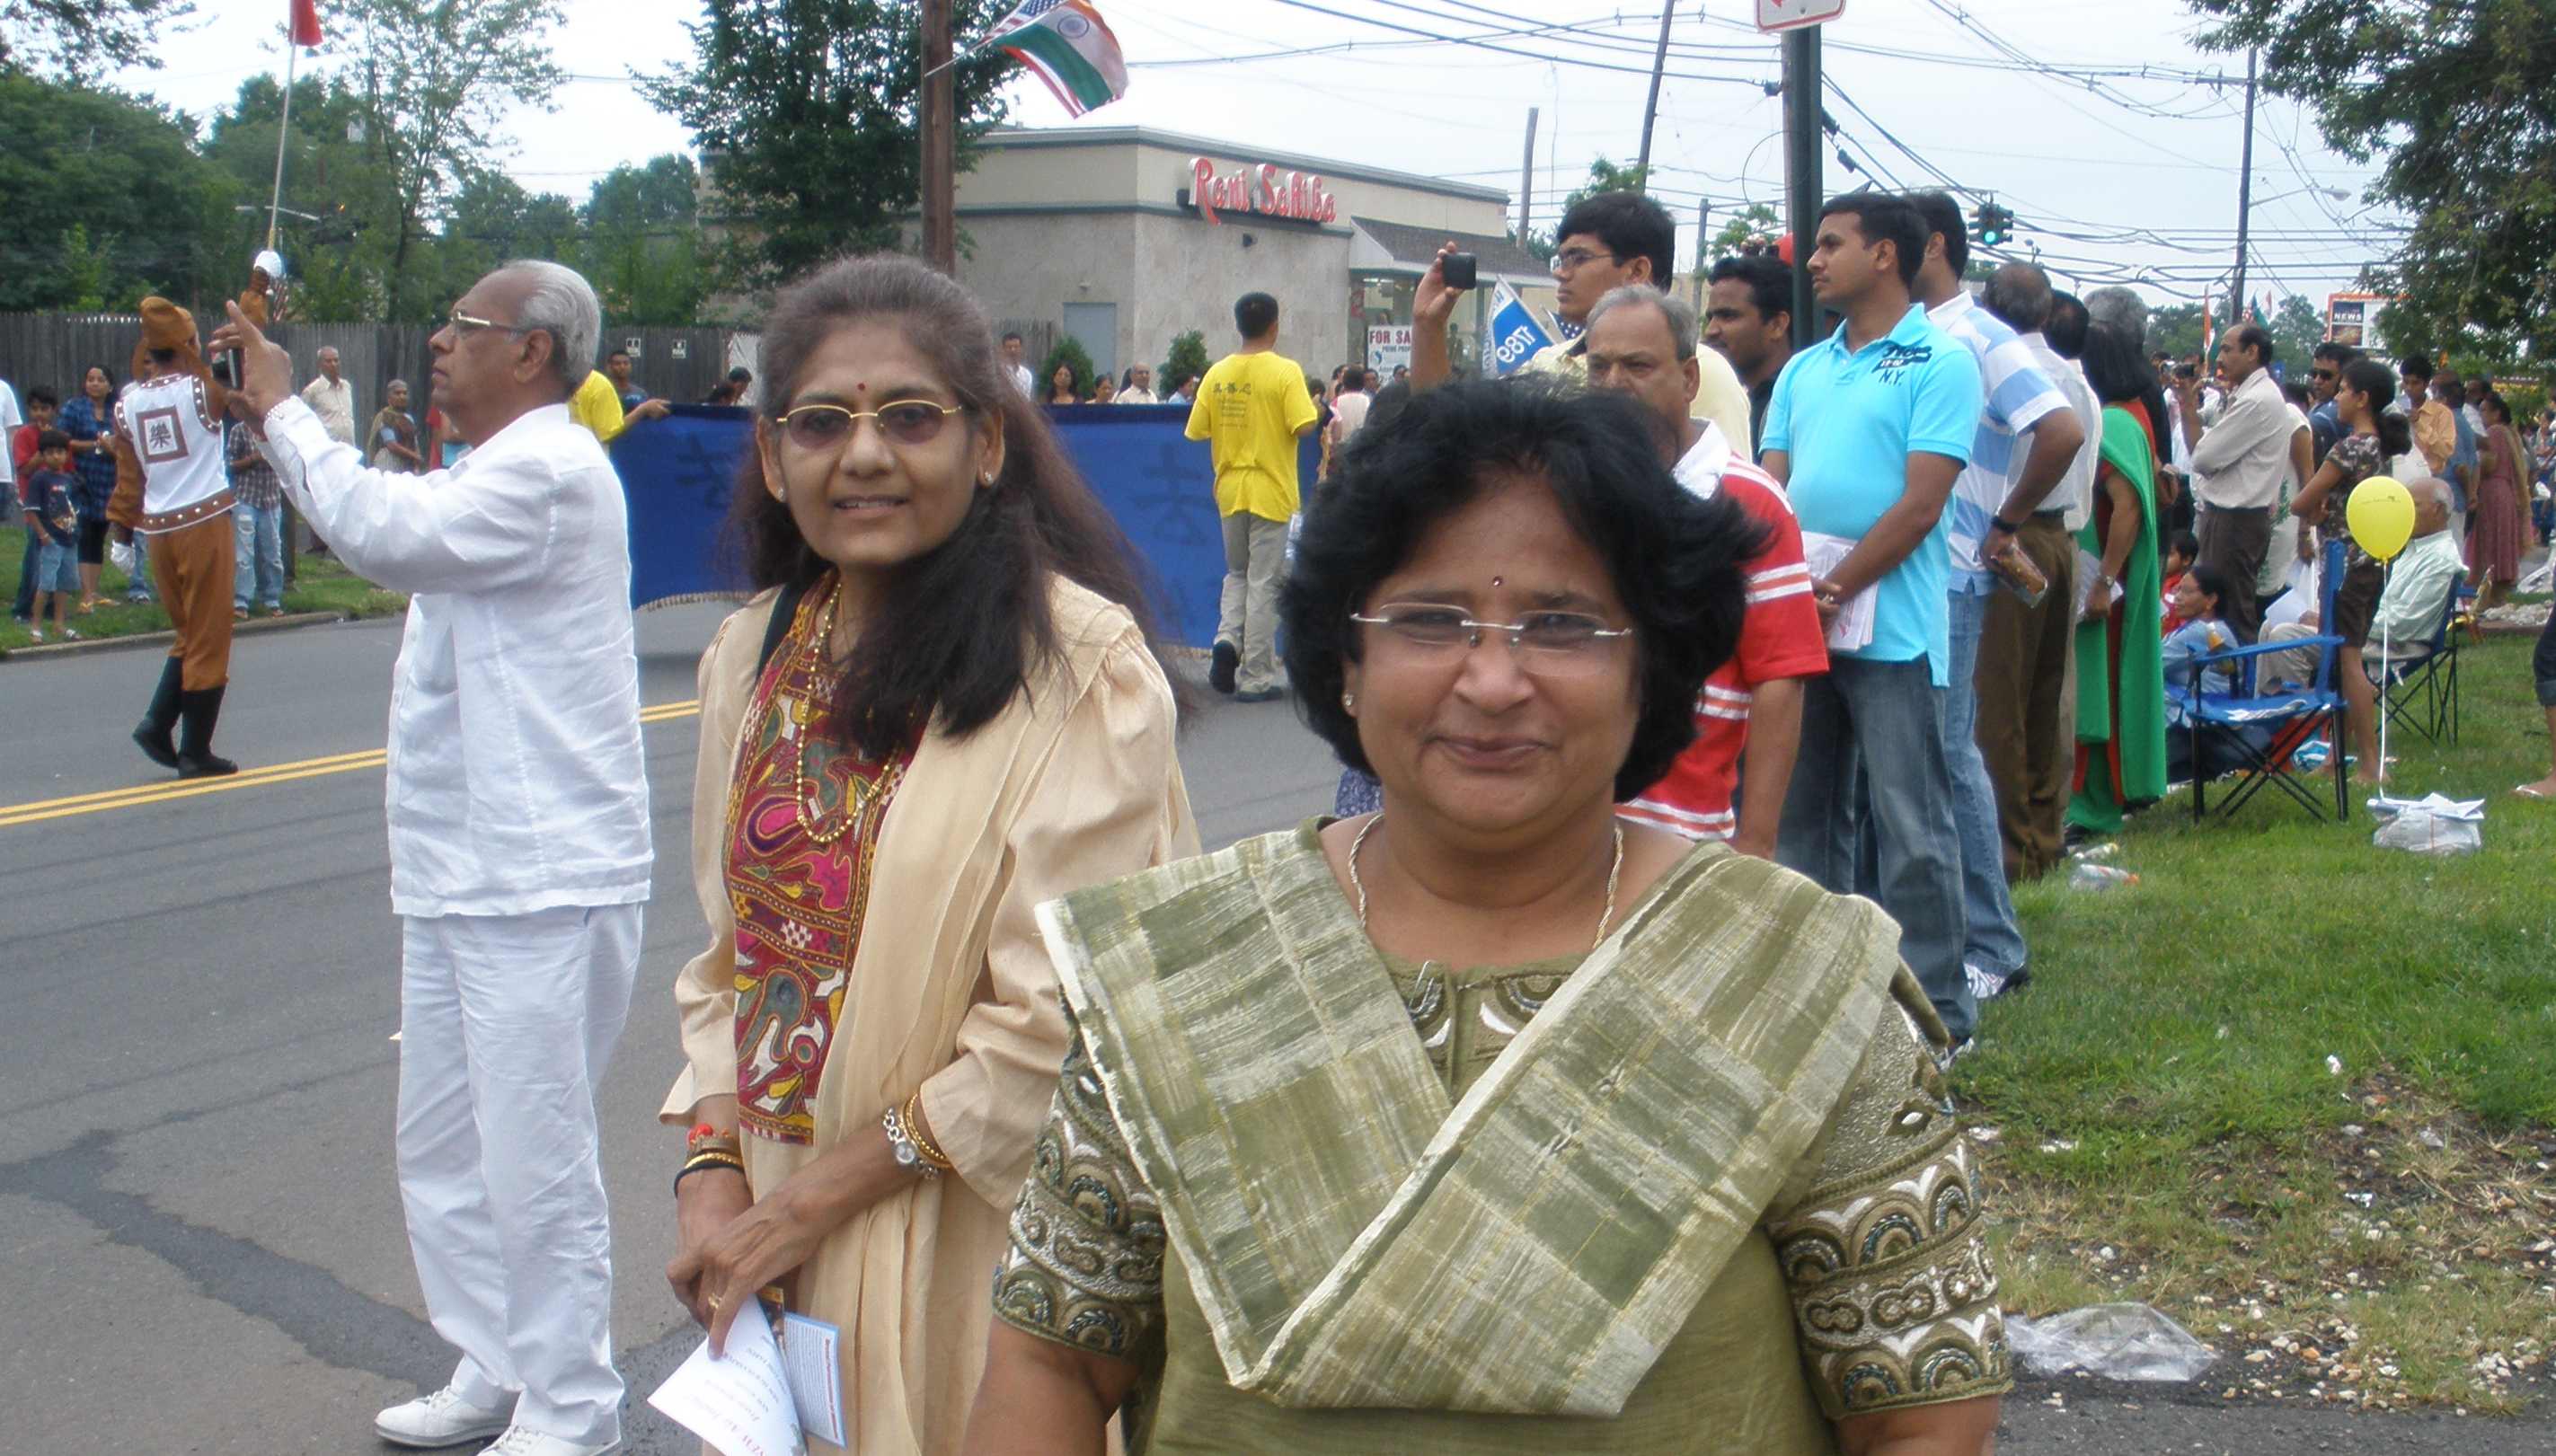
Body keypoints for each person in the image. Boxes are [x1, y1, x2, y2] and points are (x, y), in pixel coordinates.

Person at [965, 378, 2009, 1456]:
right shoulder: (1187, 969)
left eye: (1561, 624)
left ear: (1648, 673)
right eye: (1429, 620)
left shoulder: (1788, 981)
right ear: (1346, 664)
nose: (1494, 680)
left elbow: (1922, 1420)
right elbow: (1051, 1359)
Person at [654, 255, 1197, 1456]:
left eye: (908, 417)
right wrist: (711, 1164)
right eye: (819, 423)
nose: (862, 455)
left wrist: (808, 1202)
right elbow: (731, 959)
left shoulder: (1079, 672)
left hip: (970, 1229)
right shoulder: (752, 653)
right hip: (776, 1233)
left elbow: (1058, 1026)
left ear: (986, 445)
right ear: (771, 458)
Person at [217, 261, 653, 1456]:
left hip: (542, 876)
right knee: (447, 1148)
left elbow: (380, 531)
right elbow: (395, 519)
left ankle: (573, 1410)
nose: (439, 344)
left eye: (464, 327)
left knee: (533, 1157)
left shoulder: (552, 470)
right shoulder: (492, 466)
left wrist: (283, 407)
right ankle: (498, 1361)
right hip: (466, 870)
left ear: (532, 352)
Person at [1763, 192, 1982, 1052]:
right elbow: (1773, 488)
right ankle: (1825, 1003)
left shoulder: (1940, 361)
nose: (1812, 261)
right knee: (1804, 822)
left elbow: (1922, 503)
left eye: (1830, 245)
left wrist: (1837, 585)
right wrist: (1792, 590)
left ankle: (1940, 1018)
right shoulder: (1803, 370)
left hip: (1891, 630)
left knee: (1911, 827)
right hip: (1805, 621)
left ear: (1884, 254)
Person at [1907, 193, 2082, 993]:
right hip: (1901, 572)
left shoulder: (1979, 336)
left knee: (1953, 751)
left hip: (1952, 571)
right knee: (1923, 756)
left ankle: (1993, 945)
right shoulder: (1905, 336)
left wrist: (2003, 522)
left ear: (1930, 246)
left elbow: (2060, 429)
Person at [1589, 286, 1825, 857]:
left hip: (1683, 837)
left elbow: (1781, 679)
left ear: (1689, 378)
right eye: (1599, 367)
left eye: (1638, 366)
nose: (1615, 383)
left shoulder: (1751, 502)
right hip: (1563, 826)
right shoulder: (1571, 490)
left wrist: (1757, 843)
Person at [1409, 191, 1753, 449]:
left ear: (1636, 271)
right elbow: (1455, 444)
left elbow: (1731, 493)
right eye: (1598, 367)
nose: (1560, 273)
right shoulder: (1547, 364)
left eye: (1578, 258)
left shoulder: (1703, 371)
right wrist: (1428, 326)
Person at [1978, 261, 2101, 884]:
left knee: (2000, 700)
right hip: (2060, 536)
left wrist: (2004, 521)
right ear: (2047, 312)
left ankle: (2011, 849)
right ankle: (2045, 837)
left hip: (2013, 531)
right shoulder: (2072, 376)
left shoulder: (1999, 369)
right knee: (2045, 695)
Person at [102, 300, 239, 775]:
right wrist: (258, 290)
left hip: (159, 531)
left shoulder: (127, 404)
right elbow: (247, 337)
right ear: (187, 344)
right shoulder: (204, 390)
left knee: (188, 632)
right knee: (210, 636)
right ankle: (195, 749)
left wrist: (121, 532)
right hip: (204, 522)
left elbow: (129, 478)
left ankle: (158, 722)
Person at [2286, 358, 2416, 789]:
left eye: (2343, 389)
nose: (2336, 396)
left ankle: (2370, 764)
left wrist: (2316, 509)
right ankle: (2335, 757)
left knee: (2349, 660)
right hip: (2372, 563)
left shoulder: (2349, 448)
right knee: (2345, 659)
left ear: (2362, 399)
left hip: (2346, 566)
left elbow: (2301, 502)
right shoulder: (2380, 448)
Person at [1187, 290, 1319, 702]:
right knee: (1265, 581)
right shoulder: (1285, 371)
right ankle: (1256, 675)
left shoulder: (1217, 373)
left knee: (1237, 573)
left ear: (1238, 325)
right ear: (1274, 327)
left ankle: (1227, 640)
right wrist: (1314, 408)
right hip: (1271, 488)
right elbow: (1303, 426)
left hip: (1230, 487)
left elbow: (1197, 429)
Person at [2065, 323, 2168, 841]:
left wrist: (2104, 580)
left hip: (2105, 579)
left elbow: (2127, 507)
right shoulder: (2129, 416)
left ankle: (2095, 804)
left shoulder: (2114, 421)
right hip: (2100, 573)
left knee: (2098, 689)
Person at [2264, 477, 2463, 688]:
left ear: (2437, 510)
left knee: (2284, 637)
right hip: (2365, 632)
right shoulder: (2411, 549)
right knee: (2270, 626)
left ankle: (2298, 706)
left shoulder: (2439, 559)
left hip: (2385, 647)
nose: (2405, 513)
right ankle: (2265, 702)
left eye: (2414, 505)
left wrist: (2337, 623)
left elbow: (2399, 626)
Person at [2176, 323, 2293, 643]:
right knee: (2217, 610)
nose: (2219, 357)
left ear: (2252, 352)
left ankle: (2240, 672)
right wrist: (2187, 405)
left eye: (2227, 349)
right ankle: (2227, 669)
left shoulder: (2257, 400)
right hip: (2227, 518)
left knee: (2231, 611)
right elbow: (2199, 449)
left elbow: (2203, 458)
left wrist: (2201, 436)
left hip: (2236, 521)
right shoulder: (2244, 395)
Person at [2158, 563, 2250, 782]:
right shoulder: (2207, 627)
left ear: (2211, 600)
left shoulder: (2203, 631)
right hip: (2205, 715)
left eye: (2187, 592)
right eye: (2178, 590)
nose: (2177, 597)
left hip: (2202, 720)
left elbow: (2150, 665)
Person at [1703, 252, 1794, 455]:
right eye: (1710, 318)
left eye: (1728, 316)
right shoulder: (1720, 396)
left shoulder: (1798, 401)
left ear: (1777, 325)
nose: (1711, 330)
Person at [61, 364, 125, 608]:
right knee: (84, 532)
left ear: (110, 385)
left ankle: (94, 591)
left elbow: (125, 443)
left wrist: (111, 449)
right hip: (80, 478)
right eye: (90, 379)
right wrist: (94, 445)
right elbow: (62, 440)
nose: (95, 384)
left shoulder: (116, 411)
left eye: (100, 379)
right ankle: (85, 594)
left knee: (99, 533)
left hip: (107, 478)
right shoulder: (74, 408)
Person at [23, 429, 81, 642]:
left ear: (66, 454)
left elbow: (73, 507)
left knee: (64, 584)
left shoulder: (69, 479)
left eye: (60, 452)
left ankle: (59, 624)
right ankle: (36, 626)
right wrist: (43, 535)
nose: (56, 456)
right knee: (46, 584)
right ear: (43, 455)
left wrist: (76, 531)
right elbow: (31, 510)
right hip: (51, 540)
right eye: (50, 452)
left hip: (69, 539)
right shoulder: (40, 479)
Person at [228, 410, 287, 618]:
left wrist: (272, 458)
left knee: (273, 554)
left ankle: (271, 598)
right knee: (244, 554)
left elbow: (287, 462)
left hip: (271, 499)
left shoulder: (276, 432)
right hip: (246, 497)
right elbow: (229, 465)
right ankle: (241, 600)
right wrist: (253, 459)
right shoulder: (239, 430)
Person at [11, 386, 59, 622]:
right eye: (35, 409)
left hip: (57, 503)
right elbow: (25, 469)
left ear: (54, 410)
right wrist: (43, 448)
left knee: (56, 557)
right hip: (34, 504)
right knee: (34, 556)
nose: (39, 414)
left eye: (45, 409)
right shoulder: (24, 435)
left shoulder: (60, 435)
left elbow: (66, 468)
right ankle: (23, 607)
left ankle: (49, 606)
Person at [2472, 393, 2525, 605]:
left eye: (2484, 410)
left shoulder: (2494, 432)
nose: (2481, 415)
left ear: (2497, 413)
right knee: (2501, 538)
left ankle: (2490, 591)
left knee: (2491, 539)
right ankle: (2499, 590)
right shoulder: (2510, 432)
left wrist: (2475, 462)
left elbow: (2489, 464)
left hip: (2492, 491)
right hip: (2505, 491)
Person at [2307, 342, 2359, 464]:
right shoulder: (2322, 406)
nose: (2317, 380)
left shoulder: (2330, 413)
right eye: (2314, 374)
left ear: (2344, 378)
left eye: (2326, 375)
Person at [301, 346, 358, 446]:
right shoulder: (312, 391)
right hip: (327, 450)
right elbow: (301, 421)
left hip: (349, 449)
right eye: (328, 361)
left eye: (336, 360)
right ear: (319, 365)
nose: (333, 364)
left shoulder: (346, 387)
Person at [605, 348, 672, 427]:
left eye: (626, 363)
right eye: (617, 364)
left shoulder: (640, 393)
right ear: (609, 367)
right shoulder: (604, 392)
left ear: (630, 366)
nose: (622, 367)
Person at [369, 380, 426, 472]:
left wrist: (416, 465)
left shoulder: (408, 418)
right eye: (397, 393)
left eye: (405, 393)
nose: (402, 397)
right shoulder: (385, 416)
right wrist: (415, 456)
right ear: (389, 398)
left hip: (406, 465)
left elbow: (415, 444)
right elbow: (391, 445)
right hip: (388, 462)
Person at [567, 366, 628, 443]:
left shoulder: (556, 381)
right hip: (588, 446)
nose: (622, 367)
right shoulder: (599, 384)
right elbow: (609, 433)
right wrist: (641, 410)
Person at [2158, 528, 2200, 634]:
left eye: (2170, 554)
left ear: (2186, 560)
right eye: (2163, 553)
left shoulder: (2182, 590)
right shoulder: (2158, 582)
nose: (2164, 559)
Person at [1002, 331, 1033, 396]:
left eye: (1016, 347)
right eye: (1009, 347)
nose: (1013, 350)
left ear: (1021, 349)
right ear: (1003, 349)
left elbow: (1026, 398)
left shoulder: (1027, 374)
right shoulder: (999, 372)